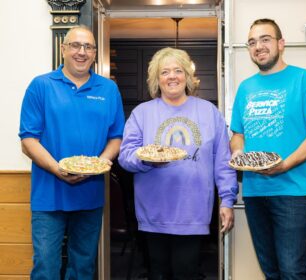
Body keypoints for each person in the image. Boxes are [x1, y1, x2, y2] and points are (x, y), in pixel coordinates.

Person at [118, 47, 238, 280]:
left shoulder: (209, 112)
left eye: (178, 70)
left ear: (187, 76)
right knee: (158, 274)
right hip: (153, 214)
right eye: (164, 72)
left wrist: (227, 200)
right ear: (156, 79)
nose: (172, 76)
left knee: (187, 273)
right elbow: (125, 156)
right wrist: (146, 158)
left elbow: (223, 161)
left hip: (193, 212)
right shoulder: (142, 113)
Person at [230, 18, 306, 280]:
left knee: (292, 270)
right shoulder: (245, 88)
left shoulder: (304, 79)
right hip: (254, 190)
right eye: (252, 42)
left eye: (265, 39)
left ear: (281, 43)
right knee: (271, 270)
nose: (258, 46)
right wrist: (237, 152)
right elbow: (238, 135)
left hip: (292, 188)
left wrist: (285, 165)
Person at [18, 25, 125, 280]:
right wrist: (58, 169)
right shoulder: (41, 86)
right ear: (63, 49)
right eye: (76, 45)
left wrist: (99, 164)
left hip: (90, 195)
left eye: (88, 47)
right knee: (45, 266)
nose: (82, 52)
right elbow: (28, 140)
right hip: (48, 196)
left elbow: (116, 137)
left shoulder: (108, 90)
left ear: (95, 53)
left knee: (83, 268)